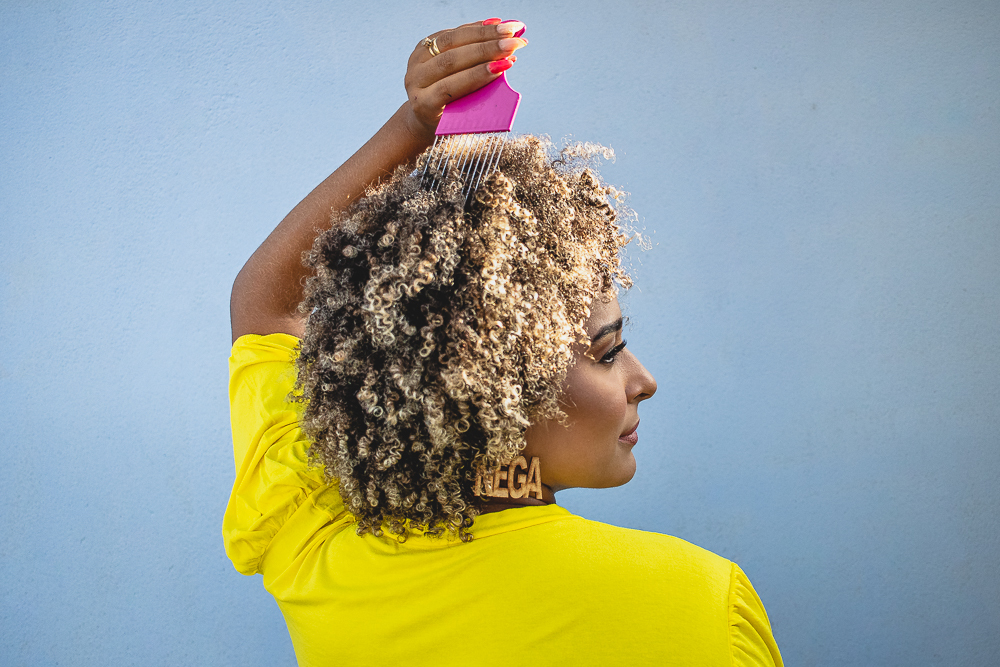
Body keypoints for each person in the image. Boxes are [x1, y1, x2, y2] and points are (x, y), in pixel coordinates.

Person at [224, 18, 783, 667]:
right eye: (607, 352)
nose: (643, 378)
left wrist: (412, 126)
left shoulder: (319, 556)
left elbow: (263, 305)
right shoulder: (702, 604)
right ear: (493, 396)